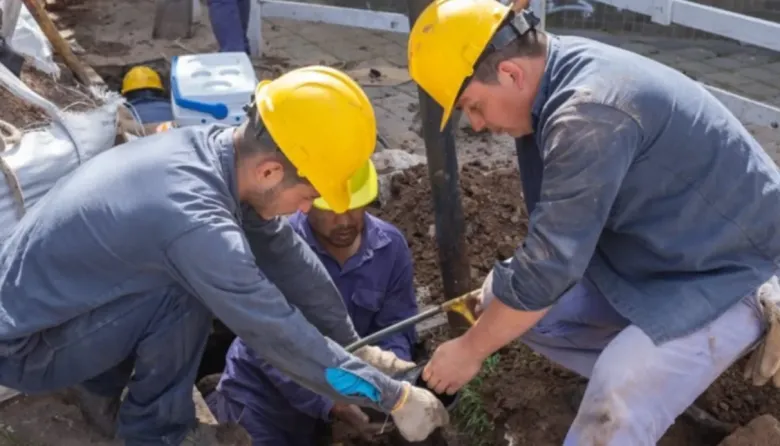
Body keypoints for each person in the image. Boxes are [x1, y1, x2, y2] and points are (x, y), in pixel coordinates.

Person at [0, 65, 448, 446]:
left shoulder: (215, 153)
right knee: (186, 290)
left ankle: (101, 392)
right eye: (309, 196)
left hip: (58, 315)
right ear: (270, 171)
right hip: (27, 348)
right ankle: (157, 433)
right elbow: (275, 332)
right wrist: (393, 398)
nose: (306, 209)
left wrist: (357, 346)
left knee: (175, 281)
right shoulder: (195, 223)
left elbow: (286, 255)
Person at [405, 1, 780, 445]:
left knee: (617, 392)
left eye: (473, 106)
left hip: (734, 269)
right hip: (668, 251)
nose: (478, 124)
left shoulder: (588, 113)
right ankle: (664, 383)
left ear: (510, 73)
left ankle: (640, 389)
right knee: (497, 304)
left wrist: (469, 350)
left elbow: (550, 268)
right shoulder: (554, 81)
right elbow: (551, 254)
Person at [206, 159, 420, 445]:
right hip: (261, 402)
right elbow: (270, 344)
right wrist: (335, 405)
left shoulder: (390, 248)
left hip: (326, 408)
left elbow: (396, 326)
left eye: (353, 207)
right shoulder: (275, 248)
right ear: (307, 201)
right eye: (330, 209)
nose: (343, 221)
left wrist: (395, 383)